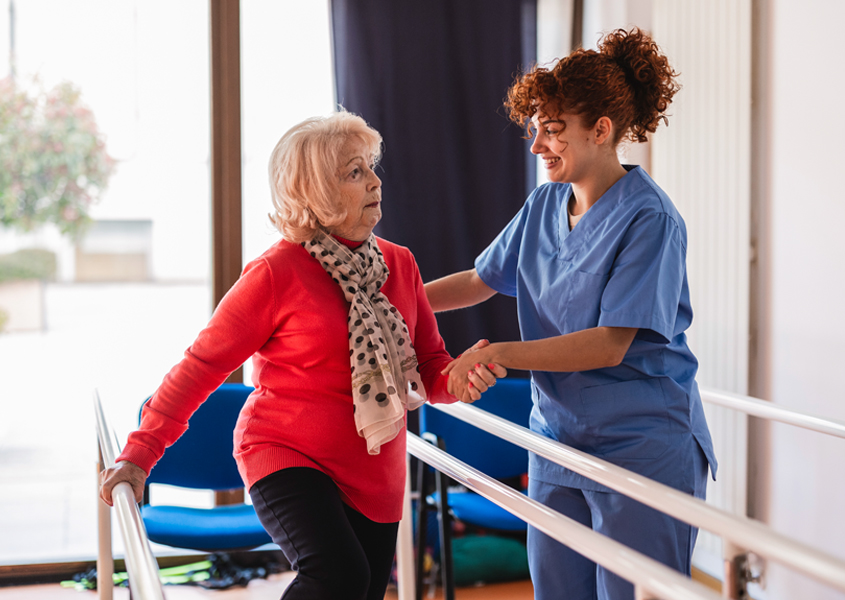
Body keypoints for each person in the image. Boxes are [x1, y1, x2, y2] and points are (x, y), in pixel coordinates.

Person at [99, 111, 504, 600]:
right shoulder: (276, 273)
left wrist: (458, 380)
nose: (375, 181)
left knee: (363, 588)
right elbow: (201, 366)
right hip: (284, 453)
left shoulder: (400, 264)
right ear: (315, 191)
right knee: (338, 575)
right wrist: (139, 456)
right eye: (355, 172)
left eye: (371, 167)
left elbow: (428, 368)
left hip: (375, 466)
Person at [425, 28, 717, 600]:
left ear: (601, 130)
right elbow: (480, 280)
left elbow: (609, 343)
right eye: (534, 130)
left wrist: (500, 355)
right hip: (557, 439)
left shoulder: (650, 220)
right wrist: (389, 298)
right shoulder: (543, 205)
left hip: (641, 445)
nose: (537, 146)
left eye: (552, 130)